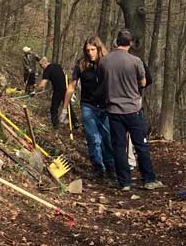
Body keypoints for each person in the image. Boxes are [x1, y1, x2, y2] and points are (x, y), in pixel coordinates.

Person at [100, 30, 162, 191]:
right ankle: (148, 179)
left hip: (113, 109)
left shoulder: (104, 61)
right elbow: (143, 83)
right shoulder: (135, 61)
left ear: (116, 42)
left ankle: (124, 182)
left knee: (119, 146)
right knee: (141, 145)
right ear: (131, 43)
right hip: (133, 109)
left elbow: (102, 80)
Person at [65, 36, 115, 179]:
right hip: (88, 105)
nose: (90, 53)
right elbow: (72, 85)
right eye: (88, 50)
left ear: (99, 49)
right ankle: (97, 168)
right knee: (93, 138)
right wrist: (64, 107)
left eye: (93, 50)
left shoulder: (107, 63)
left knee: (107, 137)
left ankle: (110, 167)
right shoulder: (81, 64)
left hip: (106, 106)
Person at [36, 57, 68, 128]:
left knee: (54, 108)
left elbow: (42, 85)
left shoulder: (47, 70)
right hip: (66, 88)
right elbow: (60, 76)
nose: (42, 67)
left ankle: (55, 125)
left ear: (45, 63)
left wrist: (35, 92)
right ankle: (75, 123)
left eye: (41, 66)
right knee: (68, 106)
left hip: (58, 91)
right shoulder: (57, 66)